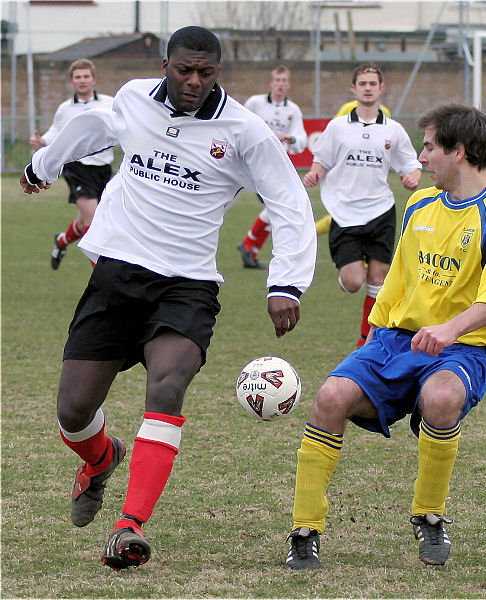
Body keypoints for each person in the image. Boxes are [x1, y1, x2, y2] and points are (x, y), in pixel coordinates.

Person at [20, 26, 316, 571]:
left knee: (169, 385)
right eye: (185, 69)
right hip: (117, 278)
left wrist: (285, 283)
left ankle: (129, 527)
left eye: (206, 72)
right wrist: (42, 167)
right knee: (73, 410)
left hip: (187, 286)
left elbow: (290, 200)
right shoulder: (133, 98)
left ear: (218, 72)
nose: (195, 81)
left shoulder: (245, 131)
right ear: (166, 65)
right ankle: (101, 460)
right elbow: (90, 127)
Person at [284, 104, 486, 570]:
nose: (421, 158)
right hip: (395, 341)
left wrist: (449, 329)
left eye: (429, 147)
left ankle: (429, 516)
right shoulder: (420, 204)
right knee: (331, 396)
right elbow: (399, 277)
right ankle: (305, 528)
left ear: (458, 152)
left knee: (441, 399)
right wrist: (373, 338)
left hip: (461, 347)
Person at [303, 63, 422, 347]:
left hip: (381, 210)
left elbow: (411, 164)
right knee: (354, 281)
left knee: (378, 279)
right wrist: (315, 173)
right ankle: (348, 277)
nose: (368, 88)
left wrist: (412, 177)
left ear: (381, 89)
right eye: (363, 83)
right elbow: (322, 159)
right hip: (344, 212)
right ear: (354, 89)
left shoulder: (393, 130)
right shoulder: (338, 127)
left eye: (373, 83)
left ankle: (365, 342)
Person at [29, 58, 114, 270]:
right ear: (72, 81)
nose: (82, 80)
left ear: (93, 79)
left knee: (84, 221)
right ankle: (102, 278)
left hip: (103, 168)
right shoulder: (64, 109)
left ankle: (61, 241)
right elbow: (57, 132)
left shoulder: (109, 102)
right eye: (78, 77)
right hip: (77, 168)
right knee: (94, 222)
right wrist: (43, 141)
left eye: (86, 76)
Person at [237, 65, 307, 269]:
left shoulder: (293, 110)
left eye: (284, 80)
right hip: (254, 165)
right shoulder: (255, 103)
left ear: (289, 85)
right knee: (280, 206)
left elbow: (301, 140)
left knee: (278, 207)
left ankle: (249, 247)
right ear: (271, 83)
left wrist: (289, 137)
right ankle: (249, 245)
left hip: (277, 167)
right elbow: (241, 126)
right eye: (277, 80)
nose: (280, 84)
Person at [315, 99, 391, 236]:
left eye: (373, 84)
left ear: (381, 88)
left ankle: (311, 232)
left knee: (361, 212)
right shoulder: (348, 107)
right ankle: (311, 232)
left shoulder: (385, 112)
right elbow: (334, 133)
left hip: (370, 170)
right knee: (348, 211)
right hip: (349, 168)